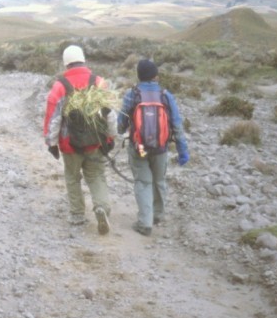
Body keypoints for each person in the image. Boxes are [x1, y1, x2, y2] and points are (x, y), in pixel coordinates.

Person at [42, 45, 114, 234]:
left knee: (72, 178)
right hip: (95, 142)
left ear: (66, 63)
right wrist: (111, 137)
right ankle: (101, 208)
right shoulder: (98, 82)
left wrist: (51, 143)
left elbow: (53, 118)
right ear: (83, 59)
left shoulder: (60, 86)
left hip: (69, 145)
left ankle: (77, 215)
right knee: (96, 176)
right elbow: (110, 114)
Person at [117, 59, 190, 236]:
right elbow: (177, 125)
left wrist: (122, 130)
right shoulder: (166, 95)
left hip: (139, 148)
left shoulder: (132, 94)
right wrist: (182, 150)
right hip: (161, 148)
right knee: (159, 181)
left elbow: (121, 123)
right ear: (156, 76)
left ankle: (145, 223)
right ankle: (157, 215)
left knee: (143, 182)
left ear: (139, 76)